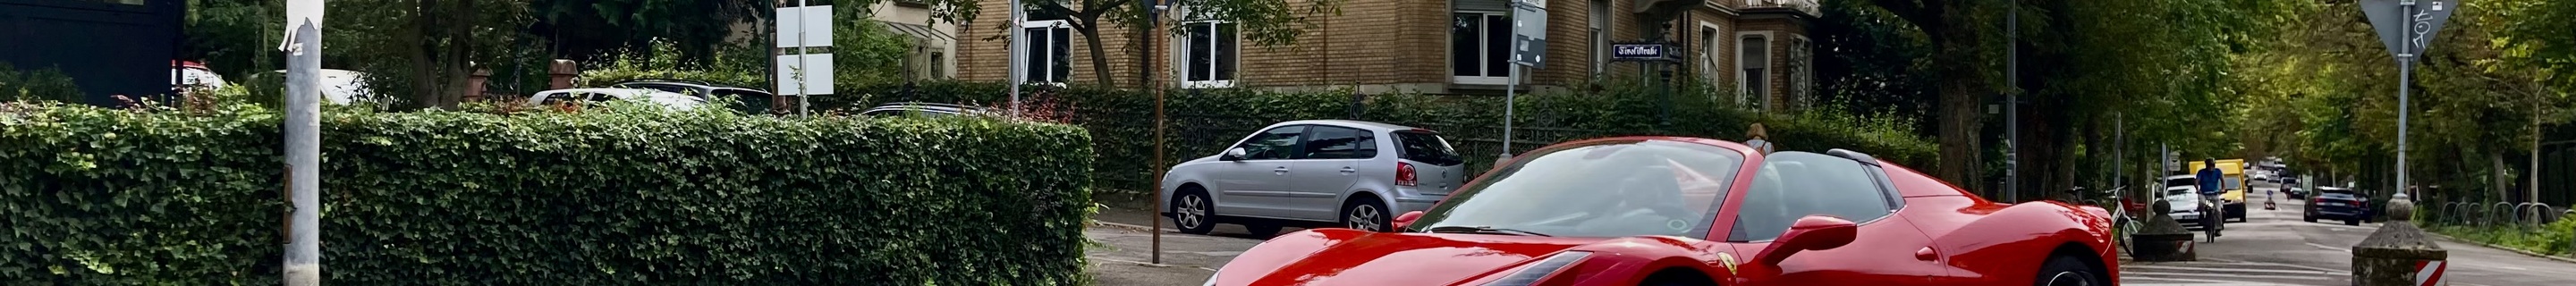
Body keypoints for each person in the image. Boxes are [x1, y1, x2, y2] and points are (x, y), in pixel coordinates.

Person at [2194, 158, 2224, 238]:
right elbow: (2197, 181)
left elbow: (2222, 180)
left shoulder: (2218, 171)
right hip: (2205, 194)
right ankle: (2202, 214)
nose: (2211, 167)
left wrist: (2223, 188)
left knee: (2218, 211)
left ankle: (2218, 228)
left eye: (2212, 165)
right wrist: (2197, 189)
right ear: (2206, 166)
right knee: (2202, 203)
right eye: (2209, 166)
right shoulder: (2202, 172)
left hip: (2214, 194)